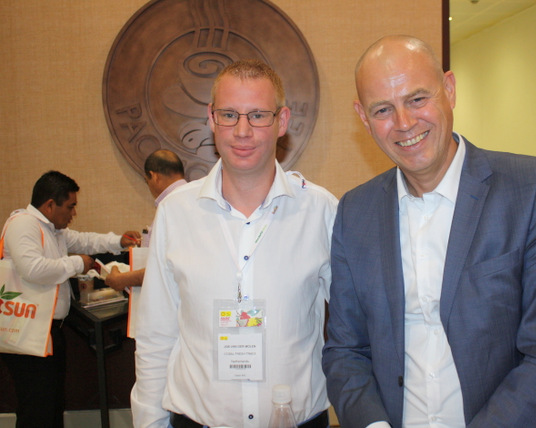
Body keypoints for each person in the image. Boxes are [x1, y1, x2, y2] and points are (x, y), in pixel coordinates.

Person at [322, 35, 536, 428]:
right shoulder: (354, 212)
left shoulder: (535, 191)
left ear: (449, 89)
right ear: (363, 117)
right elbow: (346, 351)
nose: (404, 123)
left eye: (417, 99)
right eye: (383, 109)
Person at [131, 59, 337, 428]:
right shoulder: (176, 212)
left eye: (258, 115)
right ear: (211, 119)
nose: (242, 131)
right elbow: (155, 336)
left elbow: (356, 330)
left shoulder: (320, 210)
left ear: (282, 121)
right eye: (229, 115)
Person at [0, 170, 140, 428]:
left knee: (51, 404)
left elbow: (85, 240)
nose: (73, 213)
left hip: (48, 330)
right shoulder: (23, 224)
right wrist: (77, 263)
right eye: (70, 206)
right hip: (28, 331)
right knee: (36, 409)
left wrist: (119, 241)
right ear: (49, 205)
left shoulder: (52, 229)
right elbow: (33, 269)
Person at [105, 149, 187, 291]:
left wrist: (123, 279)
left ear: (154, 176)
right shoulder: (189, 198)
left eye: (146, 180)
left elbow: (169, 268)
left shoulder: (172, 206)